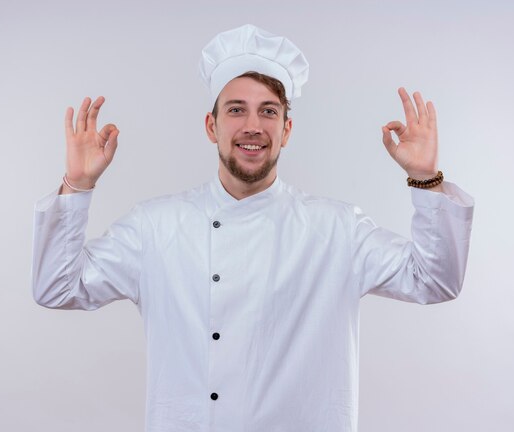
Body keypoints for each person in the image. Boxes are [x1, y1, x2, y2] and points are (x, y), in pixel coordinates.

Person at [32, 24, 474, 432]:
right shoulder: (155, 227)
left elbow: (434, 281)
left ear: (287, 129)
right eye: (236, 110)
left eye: (268, 112)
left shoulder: (337, 229)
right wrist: (78, 184)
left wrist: (425, 178)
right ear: (212, 126)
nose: (253, 126)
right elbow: (56, 287)